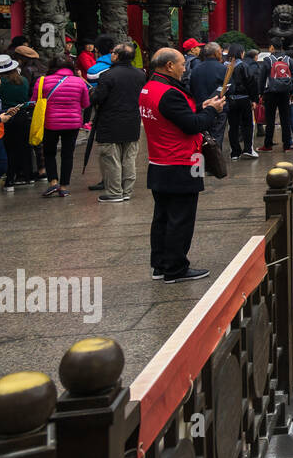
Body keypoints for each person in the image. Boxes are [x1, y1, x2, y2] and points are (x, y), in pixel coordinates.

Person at [140, 48, 223, 283]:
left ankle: (160, 264)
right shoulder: (168, 92)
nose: (185, 68)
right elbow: (192, 125)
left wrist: (202, 107)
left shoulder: (149, 87)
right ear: (168, 66)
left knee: (163, 217)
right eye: (181, 64)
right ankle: (175, 268)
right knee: (181, 218)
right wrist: (211, 110)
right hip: (181, 161)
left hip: (160, 161)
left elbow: (177, 117)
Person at [90, 43, 145, 203]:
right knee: (129, 158)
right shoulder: (140, 75)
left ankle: (114, 193)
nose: (111, 54)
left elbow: (97, 98)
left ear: (117, 56)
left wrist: (92, 93)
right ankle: (127, 190)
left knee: (111, 159)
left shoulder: (108, 76)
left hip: (110, 123)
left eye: (113, 52)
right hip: (132, 121)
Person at [36, 54, 90, 198]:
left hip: (50, 123)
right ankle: (64, 186)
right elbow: (86, 103)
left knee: (49, 153)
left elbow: (34, 101)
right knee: (67, 154)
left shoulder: (42, 81)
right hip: (72, 123)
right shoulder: (79, 82)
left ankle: (53, 182)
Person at [258, 43, 293, 152]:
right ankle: (287, 146)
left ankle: (268, 145)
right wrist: (290, 89)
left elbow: (262, 78)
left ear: (272, 47)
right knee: (285, 118)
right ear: (282, 47)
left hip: (270, 93)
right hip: (285, 93)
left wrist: (260, 93)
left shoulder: (267, 60)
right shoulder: (289, 60)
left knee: (270, 119)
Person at [0, 54, 32, 190]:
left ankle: (10, 179)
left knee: (9, 149)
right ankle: (26, 176)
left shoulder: (1, 84)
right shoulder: (23, 80)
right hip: (22, 115)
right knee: (24, 146)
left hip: (5, 117)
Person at [189, 43, 229, 149]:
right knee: (216, 138)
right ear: (216, 53)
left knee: (202, 138)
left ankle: (204, 160)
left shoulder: (196, 69)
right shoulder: (223, 69)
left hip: (200, 107)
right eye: (220, 52)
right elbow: (230, 88)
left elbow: (191, 88)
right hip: (218, 108)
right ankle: (215, 161)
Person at [226, 44, 260, 160]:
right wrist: (254, 99)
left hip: (230, 99)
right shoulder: (244, 66)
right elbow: (252, 83)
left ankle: (235, 152)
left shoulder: (225, 66)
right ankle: (248, 149)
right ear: (241, 53)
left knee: (233, 126)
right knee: (247, 125)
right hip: (244, 99)